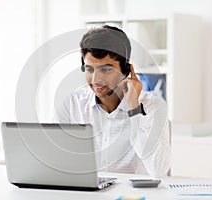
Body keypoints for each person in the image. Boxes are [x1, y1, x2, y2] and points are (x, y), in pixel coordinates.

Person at [54, 25, 171, 177]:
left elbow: (158, 170)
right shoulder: (71, 105)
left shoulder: (153, 106)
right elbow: (55, 162)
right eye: (89, 69)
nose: (96, 79)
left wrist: (134, 109)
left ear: (126, 70)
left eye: (106, 69)